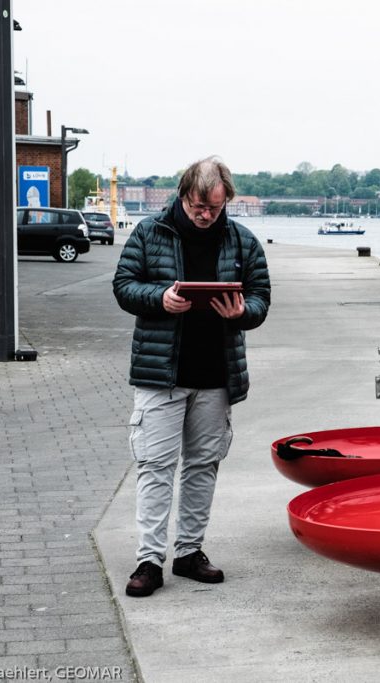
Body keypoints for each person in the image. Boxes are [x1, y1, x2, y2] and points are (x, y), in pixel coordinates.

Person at [113, 156, 270, 597]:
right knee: (155, 467)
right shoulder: (149, 232)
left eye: (214, 209)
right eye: (199, 207)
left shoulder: (242, 241)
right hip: (160, 374)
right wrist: (159, 297)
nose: (205, 216)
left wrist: (243, 313)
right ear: (184, 195)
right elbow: (124, 285)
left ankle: (188, 552)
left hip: (216, 374)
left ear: (226, 202)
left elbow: (260, 298)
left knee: (203, 466)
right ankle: (148, 560)